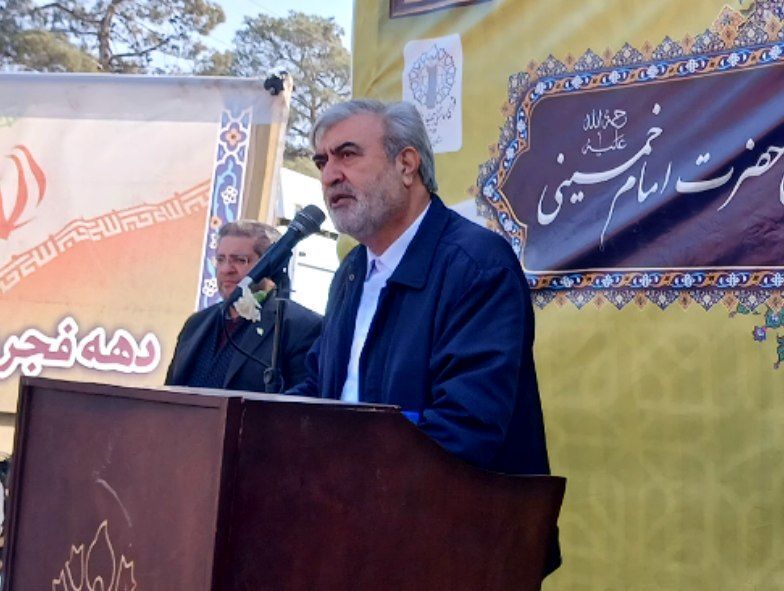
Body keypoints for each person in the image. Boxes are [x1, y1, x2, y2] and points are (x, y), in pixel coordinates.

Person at [166, 220, 322, 393]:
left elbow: (301, 402)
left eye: (241, 260)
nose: (226, 269)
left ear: (271, 265)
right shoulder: (196, 324)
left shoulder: (301, 327)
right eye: (220, 259)